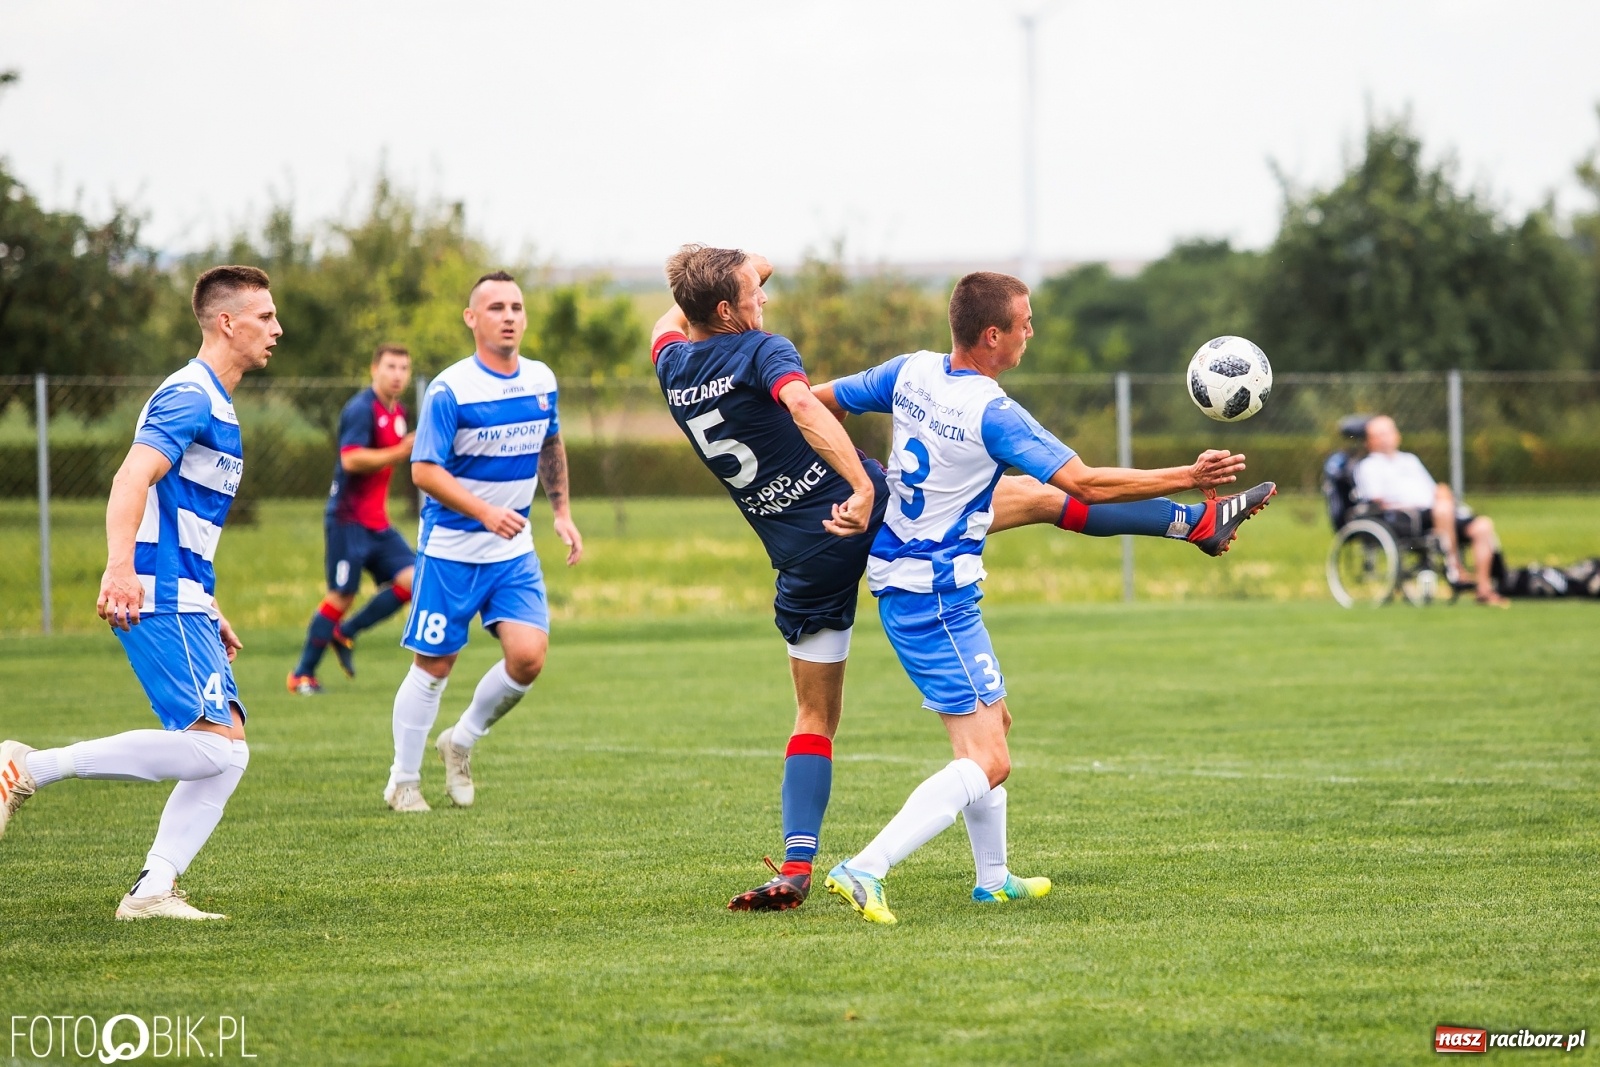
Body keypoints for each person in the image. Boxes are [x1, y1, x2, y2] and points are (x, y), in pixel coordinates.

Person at [649, 247, 1274, 914]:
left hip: (805, 556)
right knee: (1036, 519)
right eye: (751, 291)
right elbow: (807, 403)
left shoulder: (673, 363)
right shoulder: (770, 353)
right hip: (878, 523)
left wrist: (721, 283)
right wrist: (858, 482)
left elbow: (723, 336)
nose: (763, 295)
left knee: (818, 714)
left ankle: (820, 865)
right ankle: (865, 866)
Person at [815, 271, 1264, 925]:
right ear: (993, 334)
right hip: (932, 594)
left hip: (917, 582)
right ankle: (864, 867)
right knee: (988, 758)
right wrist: (1190, 475)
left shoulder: (910, 371)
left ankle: (993, 879)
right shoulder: (991, 412)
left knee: (994, 728)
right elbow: (1086, 482)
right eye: (1025, 322)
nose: (1032, 330)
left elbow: (820, 401)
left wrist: (858, 481)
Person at [0, 265, 278, 920]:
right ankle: (29, 766)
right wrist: (118, 567)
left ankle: (153, 887)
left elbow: (180, 517)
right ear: (227, 322)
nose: (277, 328)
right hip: (153, 591)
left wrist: (212, 605)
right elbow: (132, 477)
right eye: (265, 316)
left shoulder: (218, 403)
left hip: (184, 595)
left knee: (227, 752)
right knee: (214, 745)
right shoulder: (189, 395)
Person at [383, 271, 583, 813]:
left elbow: (552, 442)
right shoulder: (451, 389)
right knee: (435, 666)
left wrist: (561, 511)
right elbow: (424, 471)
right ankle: (403, 780)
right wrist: (484, 511)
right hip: (450, 551)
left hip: (512, 553)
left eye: (516, 306)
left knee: (528, 658)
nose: (510, 316)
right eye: (496, 307)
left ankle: (462, 740)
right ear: (472, 319)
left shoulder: (541, 380)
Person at [288, 344, 417, 694]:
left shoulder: (399, 412)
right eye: (390, 366)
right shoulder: (361, 409)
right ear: (374, 368)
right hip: (348, 519)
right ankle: (301, 675)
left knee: (415, 580)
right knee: (341, 595)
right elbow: (351, 460)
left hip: (377, 522)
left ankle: (345, 633)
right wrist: (399, 451)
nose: (397, 374)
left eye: (404, 368)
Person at [1353, 415, 1507, 607]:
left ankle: (1484, 589)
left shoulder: (1410, 460)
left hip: (1438, 513)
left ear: (1397, 435)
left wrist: (1443, 492)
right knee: (1442, 509)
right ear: (1369, 441)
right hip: (1405, 518)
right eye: (1379, 434)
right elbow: (1377, 501)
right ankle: (1454, 568)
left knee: (1482, 526)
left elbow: (1433, 489)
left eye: (1389, 432)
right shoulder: (1369, 466)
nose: (1385, 438)